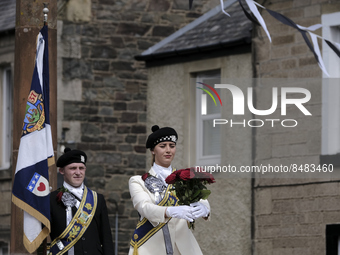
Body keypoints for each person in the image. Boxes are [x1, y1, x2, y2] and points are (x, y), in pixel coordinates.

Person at [128, 125, 210, 255]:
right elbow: (144, 207)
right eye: (163, 146)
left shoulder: (185, 178)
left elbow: (201, 199)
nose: (168, 150)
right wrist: (170, 210)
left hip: (184, 248)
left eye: (172, 146)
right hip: (152, 247)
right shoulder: (139, 181)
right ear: (153, 150)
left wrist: (205, 208)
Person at [49, 148, 114, 255]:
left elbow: (106, 237)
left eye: (81, 168)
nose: (78, 172)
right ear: (62, 171)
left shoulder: (97, 199)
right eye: (73, 168)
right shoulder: (51, 199)